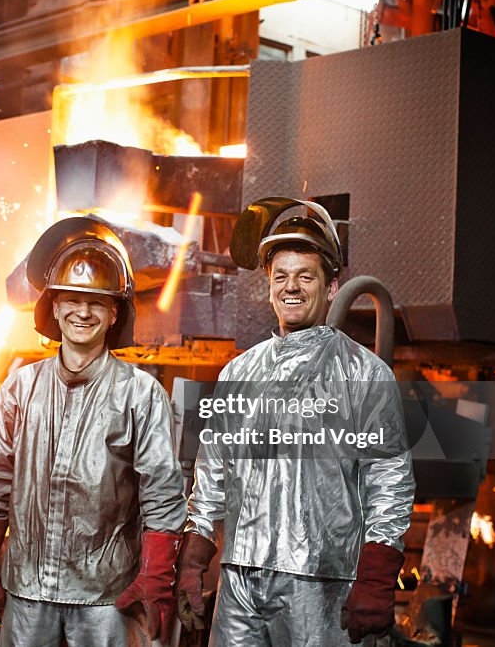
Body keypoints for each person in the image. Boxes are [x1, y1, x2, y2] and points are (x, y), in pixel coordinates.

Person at [176, 197, 415, 645]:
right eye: (280, 276)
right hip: (240, 579)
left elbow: (389, 480)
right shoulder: (239, 372)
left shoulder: (364, 373)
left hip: (320, 581)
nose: (291, 287)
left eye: (306, 276)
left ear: (331, 286)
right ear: (269, 287)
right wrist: (193, 558)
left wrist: (376, 575)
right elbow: (212, 473)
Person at [0, 217, 186, 647]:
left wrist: (157, 575)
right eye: (71, 299)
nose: (82, 312)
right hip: (28, 591)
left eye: (96, 302)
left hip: (107, 596)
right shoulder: (20, 388)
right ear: (53, 307)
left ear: (114, 312)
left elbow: (162, 494)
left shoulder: (140, 394)